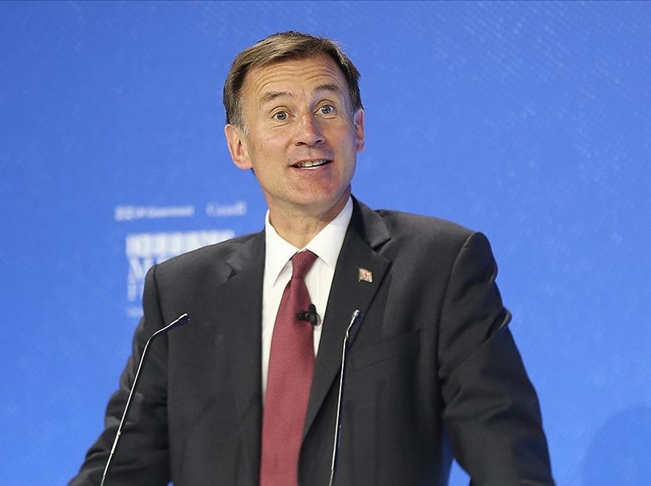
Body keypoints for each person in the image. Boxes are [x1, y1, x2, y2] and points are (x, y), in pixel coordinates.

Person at [71, 31, 554, 486]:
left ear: (357, 129)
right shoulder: (181, 294)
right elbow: (119, 467)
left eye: (326, 108)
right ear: (239, 146)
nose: (309, 132)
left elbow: (509, 464)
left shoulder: (439, 267)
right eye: (280, 114)